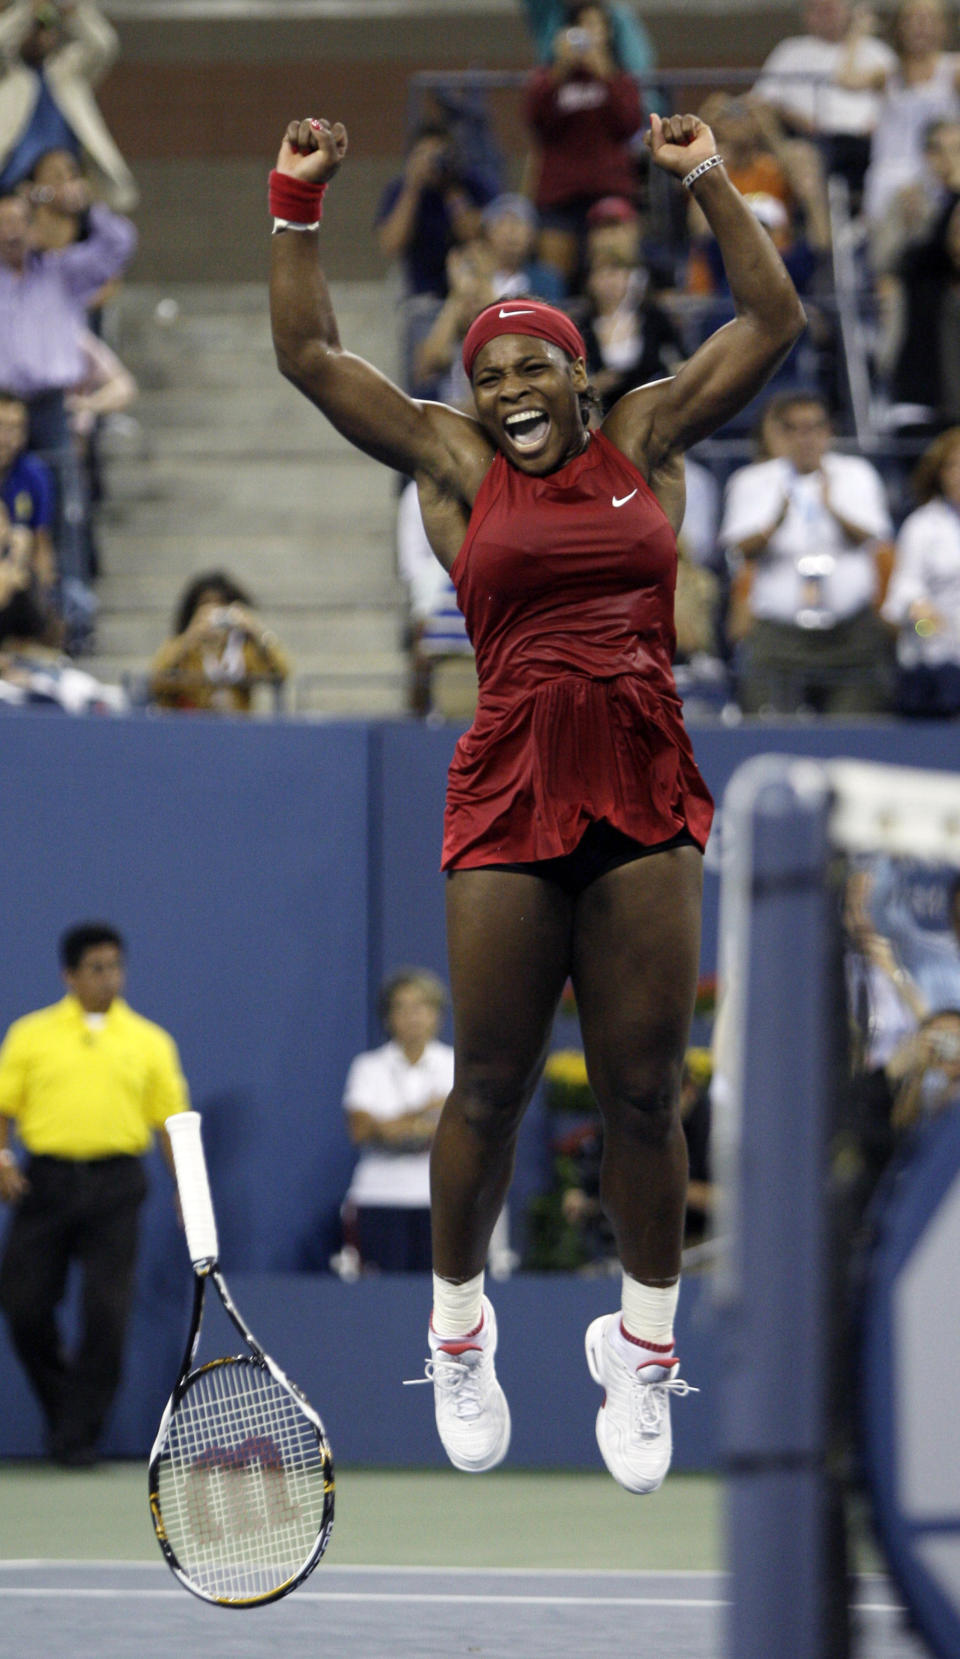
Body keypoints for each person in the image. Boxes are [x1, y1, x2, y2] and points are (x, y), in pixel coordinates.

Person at [269, 107, 805, 1493]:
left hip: (643, 772)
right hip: (510, 778)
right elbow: (310, 354)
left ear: (578, 378)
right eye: (487, 368)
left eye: (531, 365)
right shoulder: (454, 464)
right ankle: (458, 1330)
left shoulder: (649, 429)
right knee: (491, 1081)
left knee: (643, 1085)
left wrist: (700, 176)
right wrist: (296, 198)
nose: (507, 384)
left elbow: (774, 314)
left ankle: (640, 1344)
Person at [0, 922, 188, 1464]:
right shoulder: (30, 1034)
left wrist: (185, 1190)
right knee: (22, 1305)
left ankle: (75, 1438)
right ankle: (67, 1411)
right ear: (70, 975)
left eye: (116, 967)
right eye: (97, 968)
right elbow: (4, 1108)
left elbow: (170, 1123)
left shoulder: (150, 1042)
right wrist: (4, 1158)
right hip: (46, 1182)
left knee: (108, 1314)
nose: (109, 978)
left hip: (116, 1186)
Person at [0, 185, 135, 619]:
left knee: (64, 511)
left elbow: (118, 246)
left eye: (19, 222)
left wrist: (82, 207)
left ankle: (70, 614)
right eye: (2, 225)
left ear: (33, 224)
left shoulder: (61, 273)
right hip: (1, 404)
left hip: (48, 407)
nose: (11, 233)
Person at [720, 390, 894, 714]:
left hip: (849, 634)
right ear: (780, 434)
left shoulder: (856, 473)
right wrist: (774, 524)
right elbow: (736, 549)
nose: (806, 438)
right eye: (795, 429)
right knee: (765, 729)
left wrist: (834, 509)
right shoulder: (752, 481)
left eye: (814, 427)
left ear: (829, 431)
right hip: (778, 635)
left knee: (857, 735)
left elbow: (875, 538)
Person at [341, 969, 454, 1273]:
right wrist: (425, 1111)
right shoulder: (369, 1067)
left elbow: (459, 1134)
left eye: (420, 1007)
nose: (411, 1016)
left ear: (437, 1015)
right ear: (388, 1016)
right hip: (379, 1197)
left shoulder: (456, 1065)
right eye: (401, 1008)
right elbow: (361, 1129)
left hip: (438, 1200)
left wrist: (391, 1127)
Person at [523, 3, 644, 287]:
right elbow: (537, 121)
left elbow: (628, 123)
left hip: (608, 188)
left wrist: (605, 73)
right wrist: (560, 71)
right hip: (560, 193)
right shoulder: (549, 78)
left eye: (597, 26)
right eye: (583, 26)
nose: (590, 34)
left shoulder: (620, 78)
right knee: (554, 275)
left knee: (614, 265)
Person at [752, 0, 898, 204]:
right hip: (812, 138)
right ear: (806, 15)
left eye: (832, 8)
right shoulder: (790, 51)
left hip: (869, 140)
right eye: (818, 9)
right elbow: (761, 101)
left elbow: (898, 100)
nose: (826, 15)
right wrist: (791, 121)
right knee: (805, 161)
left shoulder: (878, 52)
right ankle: (820, 234)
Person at [0, 0, 137, 209]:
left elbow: (103, 45)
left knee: (115, 230)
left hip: (72, 183)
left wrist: (72, 11)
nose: (40, 36)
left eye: (47, 29)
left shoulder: (67, 72)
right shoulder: (9, 76)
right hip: (14, 188)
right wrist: (26, 9)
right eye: (34, 30)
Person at [881, 427, 960, 714]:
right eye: (953, 466)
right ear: (939, 474)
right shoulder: (922, 525)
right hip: (937, 666)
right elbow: (903, 593)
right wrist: (923, 616)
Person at [148, 570, 290, 713]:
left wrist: (256, 632)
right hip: (190, 726)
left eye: (221, 603)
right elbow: (156, 681)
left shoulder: (243, 649)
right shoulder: (183, 646)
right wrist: (189, 637)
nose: (214, 610)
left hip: (235, 725)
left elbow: (282, 672)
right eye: (206, 603)